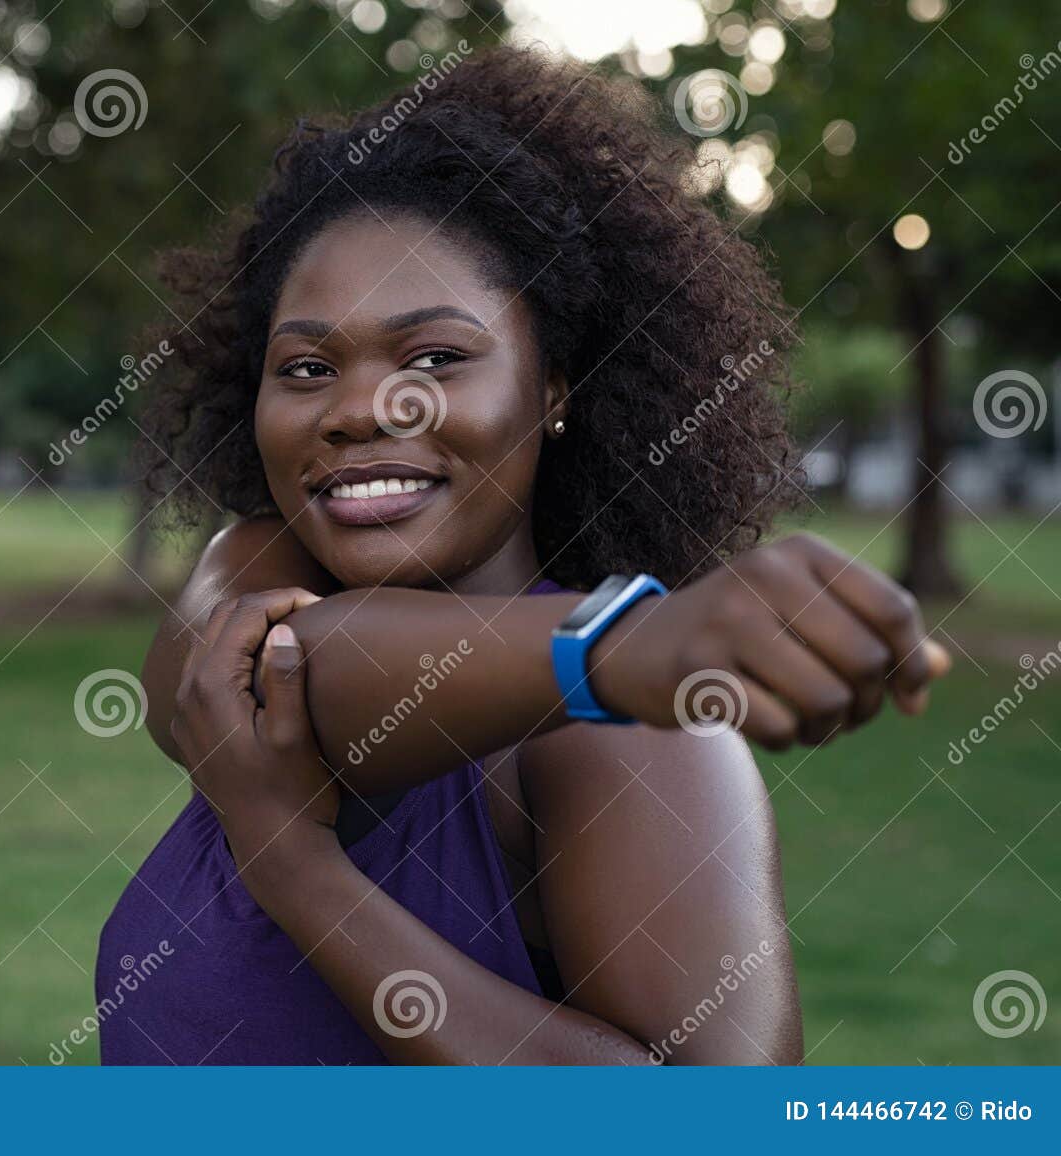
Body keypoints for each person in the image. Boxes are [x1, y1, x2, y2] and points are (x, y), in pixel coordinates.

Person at [95, 46, 950, 1065]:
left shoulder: (635, 742)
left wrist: (300, 873)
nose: (363, 406)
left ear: (552, 389)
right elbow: (267, 672)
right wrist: (621, 645)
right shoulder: (250, 572)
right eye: (309, 366)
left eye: (437, 358)